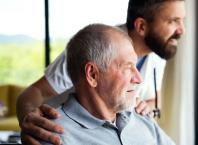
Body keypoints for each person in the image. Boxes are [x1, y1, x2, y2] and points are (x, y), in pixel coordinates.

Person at [16, 0, 185, 144]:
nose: (181, 30)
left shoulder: (157, 52)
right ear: (141, 26)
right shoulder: (91, 49)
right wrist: (31, 123)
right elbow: (32, 94)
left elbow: (155, 100)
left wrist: (143, 108)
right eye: (173, 21)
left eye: (182, 21)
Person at [41, 23, 175, 145]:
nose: (138, 79)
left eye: (135, 66)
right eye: (127, 67)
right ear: (92, 74)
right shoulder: (53, 135)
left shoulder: (142, 119)